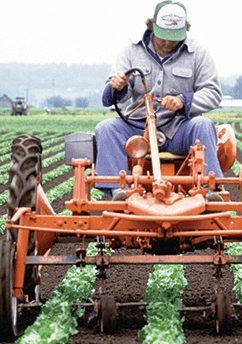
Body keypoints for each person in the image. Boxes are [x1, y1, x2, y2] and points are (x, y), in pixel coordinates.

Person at [96, 0, 223, 201]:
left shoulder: (198, 53)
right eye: (163, 37)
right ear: (151, 26)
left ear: (185, 30)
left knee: (204, 124)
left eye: (173, 38)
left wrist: (183, 101)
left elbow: (213, 93)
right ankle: (118, 192)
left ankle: (208, 191)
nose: (167, 43)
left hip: (178, 128)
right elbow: (109, 99)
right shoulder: (131, 50)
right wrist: (117, 86)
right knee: (106, 128)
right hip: (138, 128)